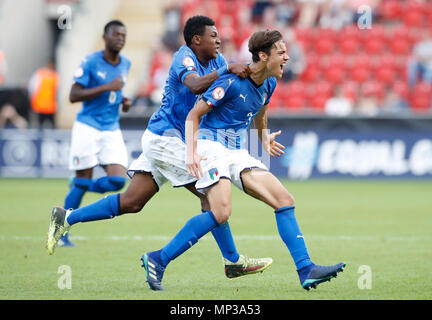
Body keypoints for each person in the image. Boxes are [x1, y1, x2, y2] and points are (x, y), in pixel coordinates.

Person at [47, 16, 273, 280]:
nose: (219, 39)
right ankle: (228, 261)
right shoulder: (184, 57)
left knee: (132, 202)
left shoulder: (218, 62)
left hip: (175, 141)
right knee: (211, 197)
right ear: (196, 39)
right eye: (213, 36)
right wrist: (227, 71)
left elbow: (219, 97)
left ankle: (66, 218)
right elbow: (194, 84)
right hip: (165, 139)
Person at [141, 29, 346, 291]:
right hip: (211, 145)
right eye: (281, 52)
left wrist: (264, 139)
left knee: (284, 200)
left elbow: (260, 114)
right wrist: (192, 152)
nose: (287, 57)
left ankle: (306, 269)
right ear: (263, 55)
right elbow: (194, 114)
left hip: (237, 151)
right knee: (220, 211)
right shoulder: (231, 82)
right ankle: (159, 259)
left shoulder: (270, 82)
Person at [54, 20, 132, 247]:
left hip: (111, 127)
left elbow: (117, 92)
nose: (120, 38)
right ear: (105, 37)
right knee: (82, 182)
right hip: (87, 126)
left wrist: (124, 101)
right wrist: (107, 87)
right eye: (116, 34)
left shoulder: (125, 63)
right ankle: (61, 232)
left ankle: (78, 183)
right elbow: (73, 95)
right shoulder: (90, 61)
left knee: (118, 180)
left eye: (123, 35)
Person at [28, 61, 59, 129]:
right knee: (41, 125)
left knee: (51, 125)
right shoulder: (40, 74)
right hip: (41, 105)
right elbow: (33, 87)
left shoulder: (54, 75)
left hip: (49, 106)